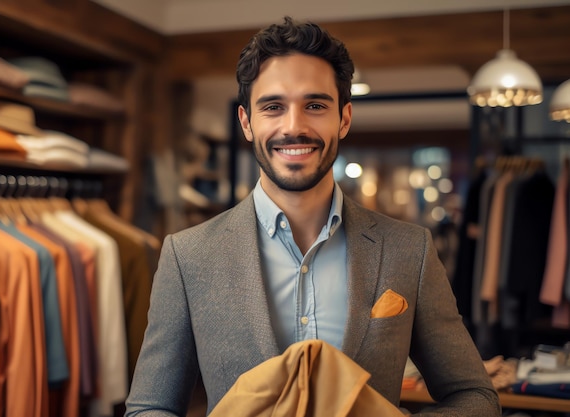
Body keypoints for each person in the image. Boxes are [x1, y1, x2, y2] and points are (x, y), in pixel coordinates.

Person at [125, 16, 501, 417]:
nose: (294, 127)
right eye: (273, 107)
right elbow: (150, 406)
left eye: (315, 105)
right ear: (246, 122)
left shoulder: (409, 249)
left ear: (344, 118)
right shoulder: (189, 256)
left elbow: (475, 395)